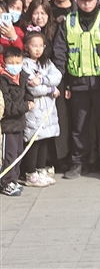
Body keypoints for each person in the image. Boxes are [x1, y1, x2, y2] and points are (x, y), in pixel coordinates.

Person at [53, 0, 100, 179]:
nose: (86, 3)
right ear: (76, 1)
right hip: (78, 83)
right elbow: (60, 53)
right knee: (79, 126)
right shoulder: (68, 22)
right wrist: (62, 83)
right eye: (82, 0)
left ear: (97, 0)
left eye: (90, 0)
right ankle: (78, 162)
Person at [20, 31, 61, 187]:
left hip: (47, 109)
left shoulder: (47, 63)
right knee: (33, 141)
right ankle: (30, 173)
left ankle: (40, 168)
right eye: (34, 45)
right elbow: (33, 88)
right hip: (35, 109)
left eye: (40, 46)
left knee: (45, 139)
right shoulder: (24, 64)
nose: (38, 49)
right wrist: (51, 90)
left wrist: (43, 80)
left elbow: (57, 76)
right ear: (26, 46)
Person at [0, 46, 33, 196]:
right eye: (11, 62)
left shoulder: (23, 77)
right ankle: (6, 182)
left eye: (17, 62)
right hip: (8, 126)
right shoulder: (3, 80)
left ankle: (14, 179)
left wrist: (30, 100)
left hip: (20, 124)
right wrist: (26, 106)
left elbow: (28, 93)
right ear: (4, 63)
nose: (14, 65)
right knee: (9, 155)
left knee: (19, 153)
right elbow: (8, 107)